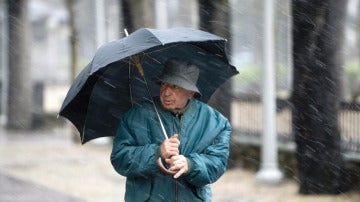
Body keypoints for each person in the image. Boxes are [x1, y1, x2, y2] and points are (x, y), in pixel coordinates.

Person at [110, 58, 232, 202]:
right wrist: (156, 152)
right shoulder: (136, 116)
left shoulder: (215, 123)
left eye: (175, 86)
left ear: (191, 92)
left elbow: (217, 163)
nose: (166, 92)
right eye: (163, 84)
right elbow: (120, 159)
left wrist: (191, 165)